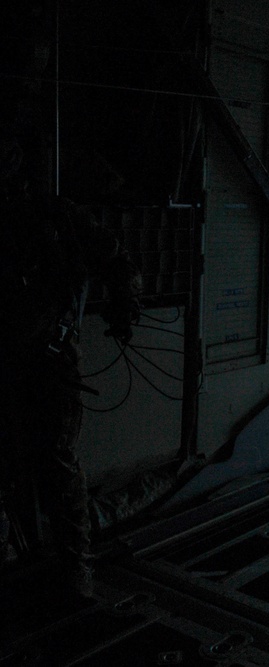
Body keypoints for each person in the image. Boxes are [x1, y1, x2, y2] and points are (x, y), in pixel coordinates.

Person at [0, 129, 141, 596]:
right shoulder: (46, 218)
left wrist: (125, 307)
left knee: (57, 463)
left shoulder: (56, 219)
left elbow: (117, 260)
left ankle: (75, 567)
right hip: (19, 361)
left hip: (49, 361)